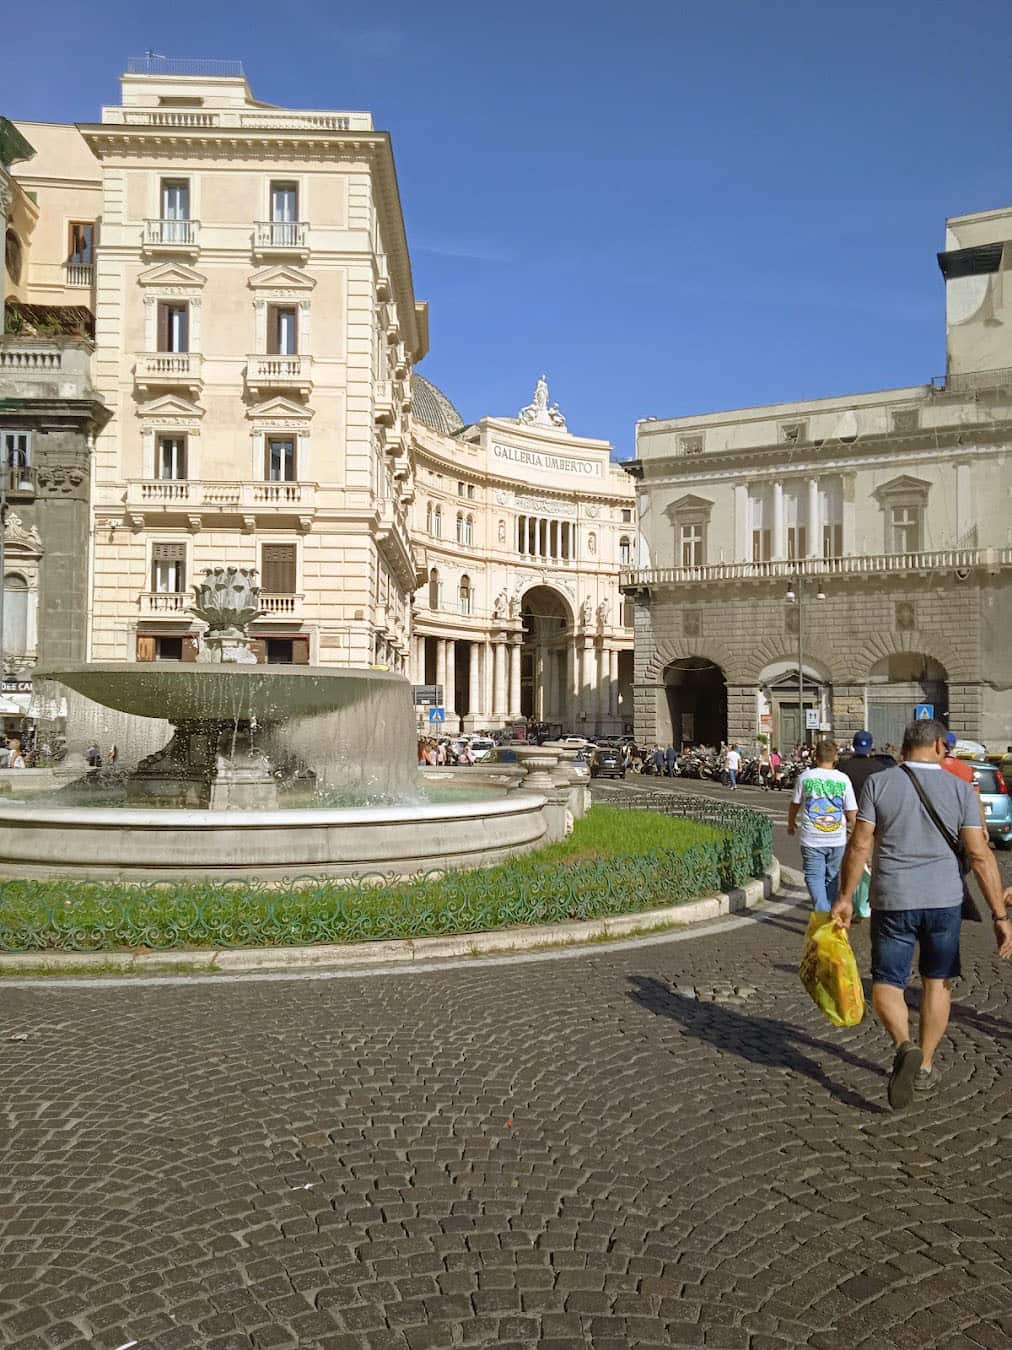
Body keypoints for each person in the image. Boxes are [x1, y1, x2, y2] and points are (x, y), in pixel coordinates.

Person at [832, 719, 1012, 1110]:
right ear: (939, 747)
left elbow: (859, 845)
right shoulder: (961, 789)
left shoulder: (879, 784)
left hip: (892, 898)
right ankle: (926, 1065)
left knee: (887, 982)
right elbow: (980, 855)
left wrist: (845, 897)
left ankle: (904, 1045)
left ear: (904, 746)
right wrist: (999, 916)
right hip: (944, 900)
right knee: (937, 982)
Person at [788, 739, 857, 911]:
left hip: (812, 837)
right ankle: (829, 913)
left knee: (814, 877)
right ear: (835, 757)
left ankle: (823, 913)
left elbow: (795, 804)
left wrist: (791, 822)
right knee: (832, 878)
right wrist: (857, 833)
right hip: (837, 838)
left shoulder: (805, 777)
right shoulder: (843, 779)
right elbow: (851, 811)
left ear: (815, 756)